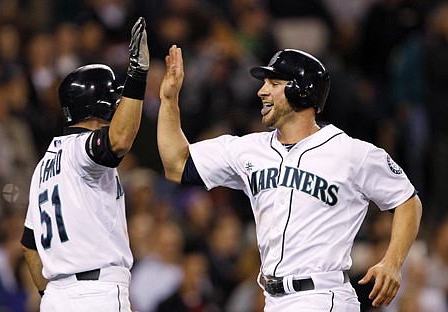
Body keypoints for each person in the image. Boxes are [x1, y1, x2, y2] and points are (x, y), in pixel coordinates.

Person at [157, 45, 423, 311]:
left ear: (302, 91)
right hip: (273, 298)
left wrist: (393, 262)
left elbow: (407, 200)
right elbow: (177, 165)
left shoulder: (351, 153)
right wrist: (169, 101)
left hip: (322, 296)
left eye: (274, 83)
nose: (262, 91)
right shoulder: (248, 149)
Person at [20, 17, 150, 311]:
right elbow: (119, 141)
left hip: (55, 297)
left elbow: (29, 246)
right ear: (101, 106)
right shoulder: (81, 150)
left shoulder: (43, 166)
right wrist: (138, 75)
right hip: (97, 293)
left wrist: (53, 296)